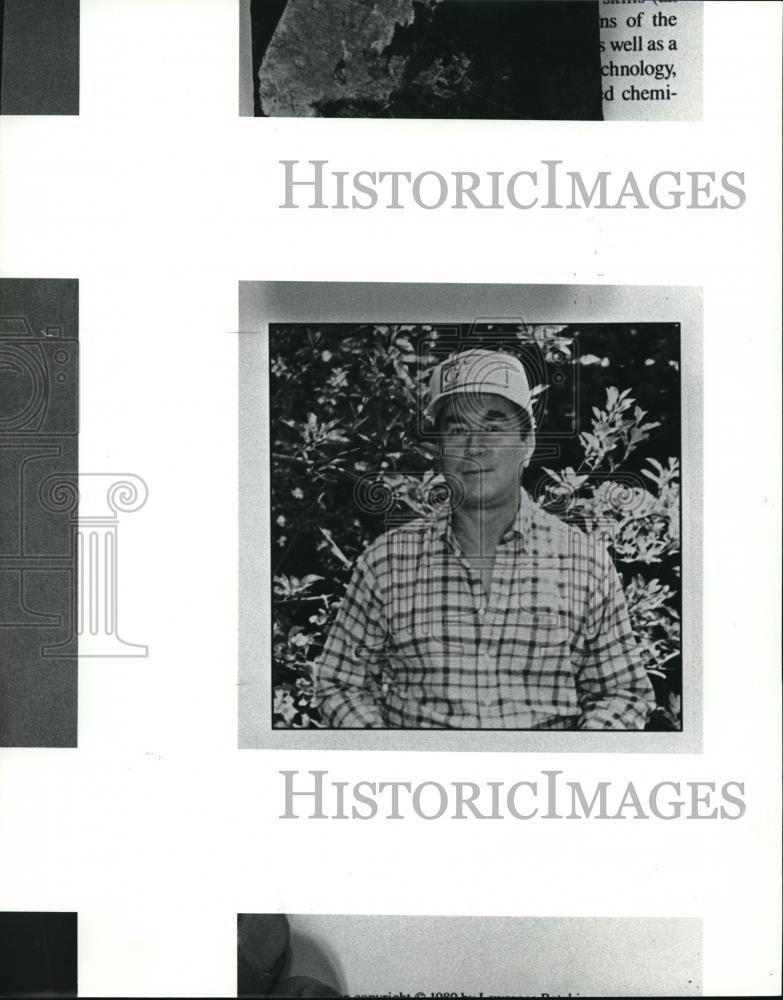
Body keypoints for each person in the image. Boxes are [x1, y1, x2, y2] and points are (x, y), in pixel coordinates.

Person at [315, 349, 655, 730]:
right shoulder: (387, 562)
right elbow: (338, 683)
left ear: (527, 444)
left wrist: (572, 762)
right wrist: (391, 756)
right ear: (439, 450)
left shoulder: (584, 562)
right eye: (458, 429)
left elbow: (623, 693)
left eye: (494, 428)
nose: (474, 446)